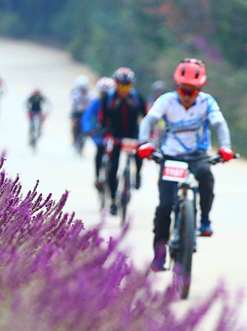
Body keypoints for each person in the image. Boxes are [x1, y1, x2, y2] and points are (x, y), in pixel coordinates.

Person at [137, 58, 235, 272]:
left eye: (192, 91)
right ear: (176, 87)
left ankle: (205, 220)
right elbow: (149, 120)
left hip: (197, 155)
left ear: (200, 90)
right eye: (183, 89)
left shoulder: (207, 102)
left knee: (206, 177)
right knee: (164, 207)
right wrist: (143, 143)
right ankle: (159, 255)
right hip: (171, 157)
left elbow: (219, 123)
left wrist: (225, 147)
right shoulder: (166, 101)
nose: (186, 95)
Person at [101, 67, 146, 215]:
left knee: (140, 153)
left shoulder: (136, 97)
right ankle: (113, 200)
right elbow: (102, 118)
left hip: (133, 134)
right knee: (113, 168)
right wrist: (105, 133)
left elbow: (145, 117)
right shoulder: (108, 98)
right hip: (115, 135)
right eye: (122, 86)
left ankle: (138, 174)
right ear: (116, 84)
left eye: (128, 86)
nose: (124, 89)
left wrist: (146, 135)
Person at [82, 77, 116, 190]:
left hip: (113, 132)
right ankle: (97, 177)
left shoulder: (117, 103)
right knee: (100, 151)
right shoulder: (96, 103)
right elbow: (87, 116)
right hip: (99, 132)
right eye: (103, 93)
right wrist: (88, 129)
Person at [71, 75, 91, 147]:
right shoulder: (75, 94)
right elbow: (73, 104)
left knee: (87, 126)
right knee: (75, 124)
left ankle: (84, 138)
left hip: (85, 113)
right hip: (77, 112)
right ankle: (74, 138)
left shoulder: (90, 94)